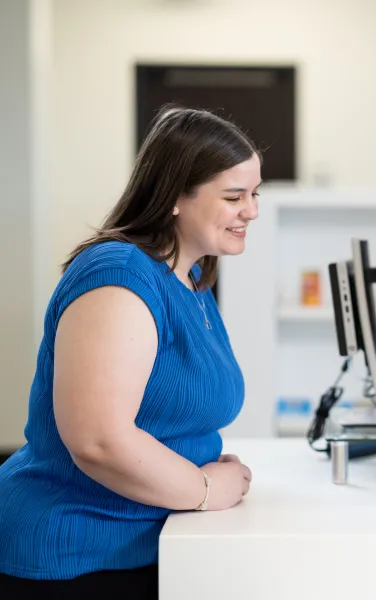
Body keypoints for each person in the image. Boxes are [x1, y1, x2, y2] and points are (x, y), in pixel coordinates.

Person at [0, 105, 260, 598]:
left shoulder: (191, 279)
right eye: (234, 196)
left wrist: (193, 458)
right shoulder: (119, 275)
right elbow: (98, 440)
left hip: (149, 537)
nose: (252, 210)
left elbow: (163, 413)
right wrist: (206, 490)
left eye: (254, 193)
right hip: (73, 552)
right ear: (176, 196)